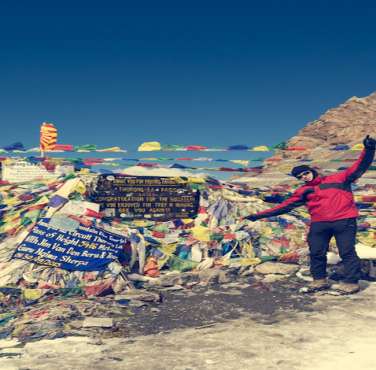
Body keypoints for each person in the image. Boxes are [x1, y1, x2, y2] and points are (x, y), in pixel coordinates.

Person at [245, 135, 376, 294]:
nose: (304, 177)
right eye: (300, 177)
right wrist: (257, 216)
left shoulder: (340, 178)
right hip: (319, 224)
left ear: (312, 170)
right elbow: (284, 207)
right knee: (316, 252)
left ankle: (351, 282)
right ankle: (319, 280)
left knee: (346, 251)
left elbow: (359, 166)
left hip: (344, 221)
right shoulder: (303, 191)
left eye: (305, 173)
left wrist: (369, 149)